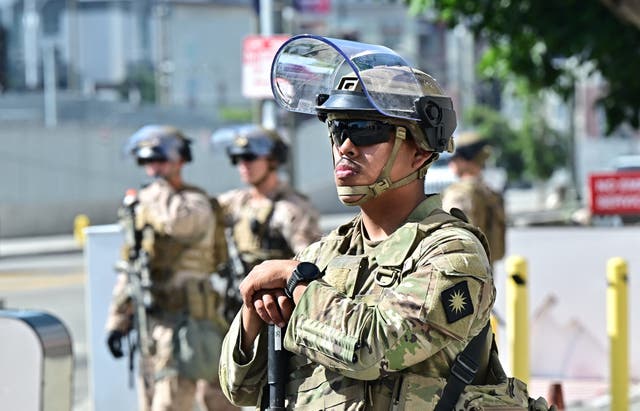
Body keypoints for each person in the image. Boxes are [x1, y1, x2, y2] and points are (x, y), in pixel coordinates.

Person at [218, 35, 553, 410]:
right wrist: (253, 309)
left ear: (421, 150)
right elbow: (242, 389)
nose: (345, 146)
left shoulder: (452, 252)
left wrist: (296, 283)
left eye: (365, 129)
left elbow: (374, 348)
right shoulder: (324, 253)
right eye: (338, 129)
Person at [105, 125, 233, 411]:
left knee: (182, 403)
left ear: (181, 161)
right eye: (148, 163)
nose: (154, 170)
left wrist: (153, 194)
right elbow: (132, 266)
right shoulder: (145, 207)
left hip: (191, 321)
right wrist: (117, 321)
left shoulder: (194, 203)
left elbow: (179, 224)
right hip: (152, 322)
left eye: (160, 161)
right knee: (150, 402)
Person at [196, 124, 322, 410]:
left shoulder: (291, 209)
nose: (244, 166)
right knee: (218, 390)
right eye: (238, 159)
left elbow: (307, 263)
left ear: (273, 161)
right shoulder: (237, 203)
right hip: (237, 310)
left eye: (251, 158)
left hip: (274, 318)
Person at [442, 131, 506, 266]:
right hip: (486, 270)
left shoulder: (459, 194)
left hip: (464, 271)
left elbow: (451, 242)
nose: (451, 163)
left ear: (465, 160)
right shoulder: (488, 192)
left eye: (453, 158)